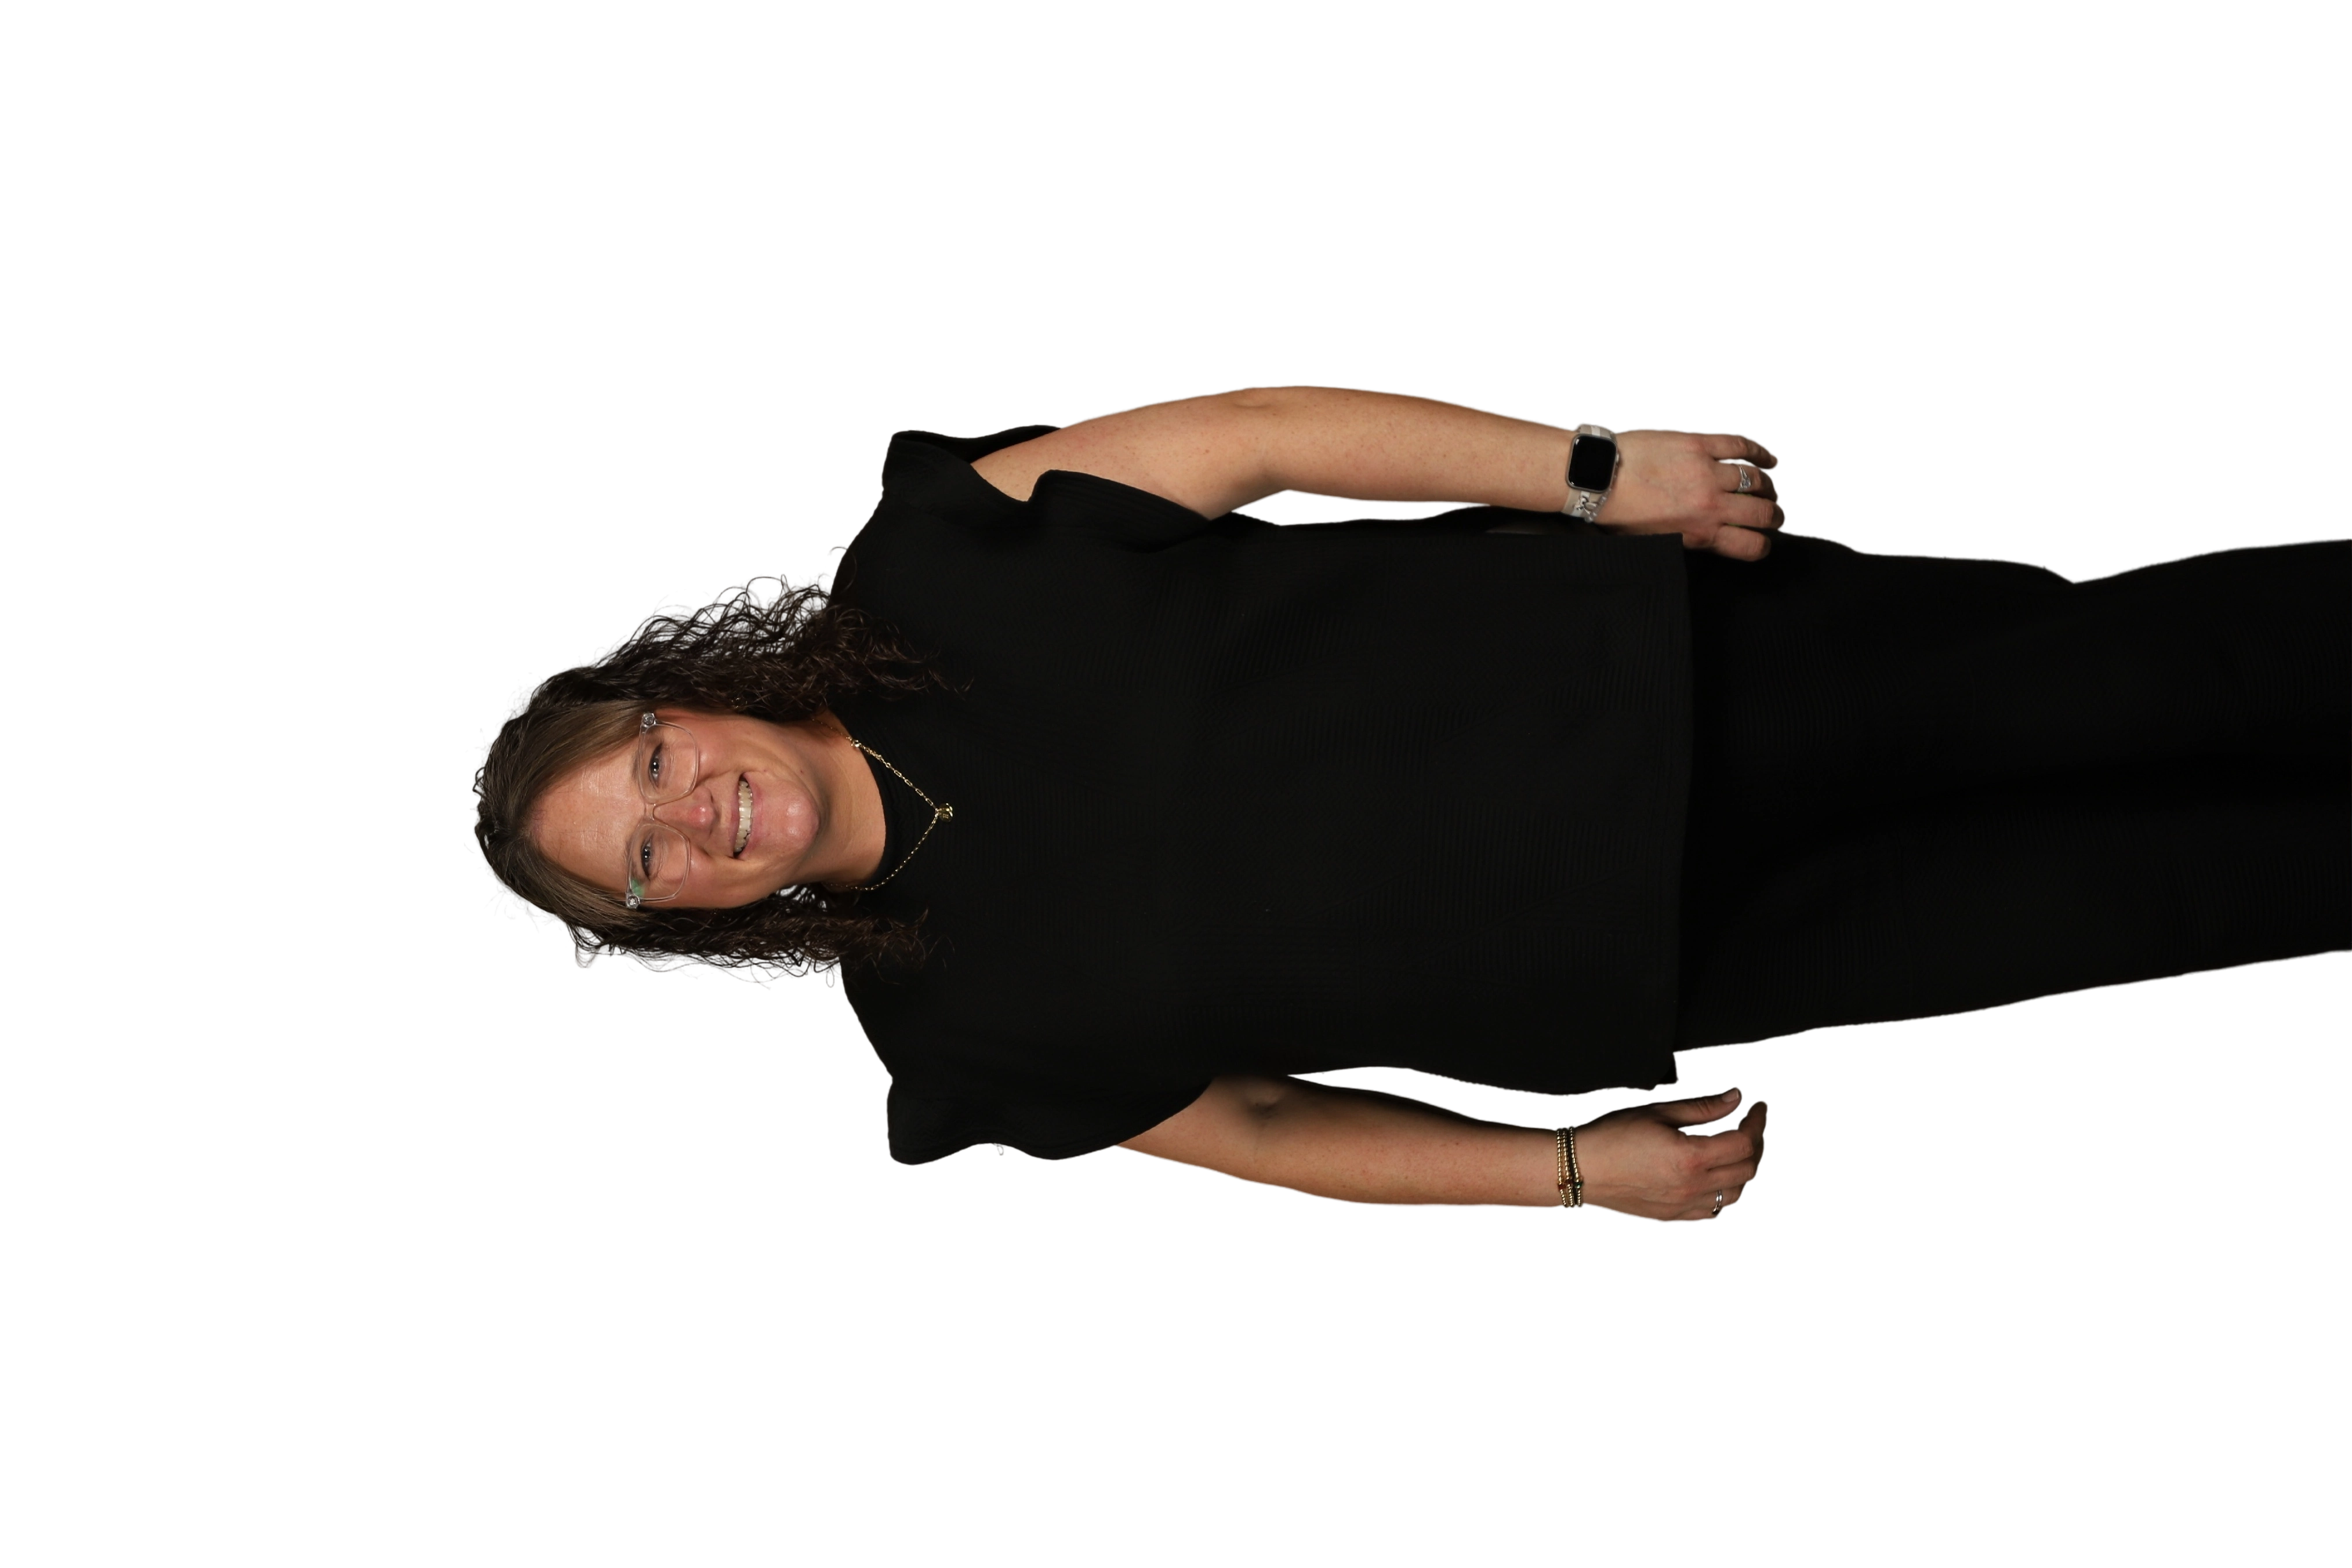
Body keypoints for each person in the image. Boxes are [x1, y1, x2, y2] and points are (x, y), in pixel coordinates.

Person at [463, 382, 2351, 1225]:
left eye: (651, 769)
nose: (691, 818)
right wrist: (1570, 1169)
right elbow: (1267, 1128)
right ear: (679, 929)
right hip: (1695, 956)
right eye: (645, 866)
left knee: (2161, 674)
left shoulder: (942, 561)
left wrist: (1595, 472)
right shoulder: (959, 1042)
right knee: (2182, 899)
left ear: (682, 697)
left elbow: (1254, 440)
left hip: (1687, 671)